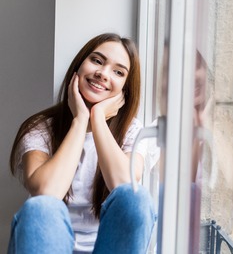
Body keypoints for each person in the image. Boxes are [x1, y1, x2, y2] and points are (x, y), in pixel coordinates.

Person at [8, 33, 157, 253]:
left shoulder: (132, 131)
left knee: (137, 198)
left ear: (125, 89)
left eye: (118, 72)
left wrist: (97, 118)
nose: (103, 74)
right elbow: (47, 192)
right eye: (97, 61)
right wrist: (80, 121)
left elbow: (125, 185)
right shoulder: (40, 129)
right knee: (40, 207)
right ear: (79, 66)